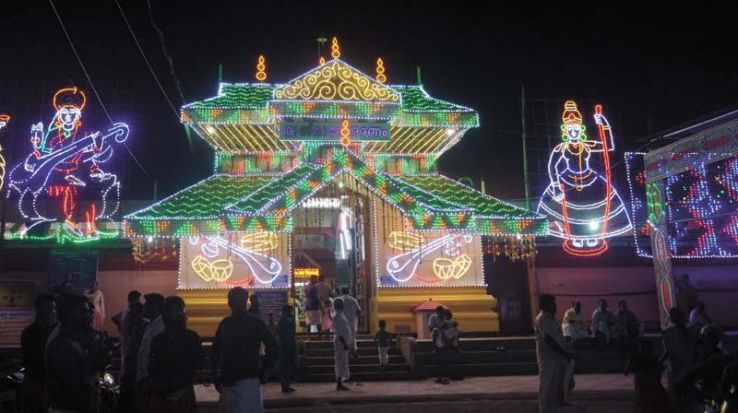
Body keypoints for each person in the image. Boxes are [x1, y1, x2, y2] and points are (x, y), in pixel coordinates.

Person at [212, 287, 278, 413]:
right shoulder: (255, 322)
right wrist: (263, 369)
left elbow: (215, 351)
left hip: (232, 378)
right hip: (247, 378)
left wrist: (214, 373)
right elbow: (273, 347)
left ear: (229, 303)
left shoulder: (225, 324)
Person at [46, 293, 112, 413]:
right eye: (82, 312)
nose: (88, 316)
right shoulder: (59, 345)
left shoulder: (77, 339)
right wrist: (94, 351)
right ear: (67, 314)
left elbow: (91, 370)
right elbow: (75, 382)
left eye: (88, 312)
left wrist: (103, 355)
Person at [147, 296, 202, 413]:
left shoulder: (190, 338)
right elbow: (152, 366)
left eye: (179, 311)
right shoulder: (158, 340)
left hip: (181, 393)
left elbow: (196, 366)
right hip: (161, 393)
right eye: (174, 310)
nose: (179, 314)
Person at [534, 294, 573, 413]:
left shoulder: (549, 318)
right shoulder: (543, 318)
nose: (555, 306)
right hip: (548, 356)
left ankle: (554, 407)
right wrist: (564, 353)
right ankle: (545, 409)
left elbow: (555, 337)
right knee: (547, 385)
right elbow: (549, 340)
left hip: (555, 356)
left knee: (556, 384)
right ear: (545, 305)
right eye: (552, 303)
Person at [19, 293, 56, 413]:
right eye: (48, 307)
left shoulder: (54, 331)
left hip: (50, 385)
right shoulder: (30, 333)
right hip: (36, 383)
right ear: (38, 309)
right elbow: (34, 360)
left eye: (53, 308)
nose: (51, 311)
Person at [660, 307, 698, 410]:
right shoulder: (691, 332)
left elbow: (668, 353)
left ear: (671, 318)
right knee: (689, 399)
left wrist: (658, 363)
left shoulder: (668, 334)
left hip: (674, 370)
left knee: (675, 399)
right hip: (690, 369)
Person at [136, 293, 166, 410]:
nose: (144, 308)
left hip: (150, 380)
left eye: (147, 305)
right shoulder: (151, 325)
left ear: (156, 307)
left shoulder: (160, 327)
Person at [624, 340, 672, 413]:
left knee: (650, 401)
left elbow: (657, 368)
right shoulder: (638, 358)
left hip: (649, 385)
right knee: (645, 401)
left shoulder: (649, 359)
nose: (644, 349)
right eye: (643, 347)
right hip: (645, 385)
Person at [118, 302, 146, 412]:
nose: (130, 316)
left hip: (136, 372)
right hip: (129, 370)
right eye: (129, 314)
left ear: (140, 314)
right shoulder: (133, 327)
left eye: (132, 314)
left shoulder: (144, 328)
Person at [112, 290, 141, 378]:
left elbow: (114, 318)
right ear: (135, 300)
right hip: (130, 340)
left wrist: (120, 329)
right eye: (138, 299)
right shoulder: (131, 312)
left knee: (124, 360)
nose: (140, 301)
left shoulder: (124, 311)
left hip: (124, 339)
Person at [276, 305, 298, 393]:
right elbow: (290, 333)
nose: (292, 313)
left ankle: (286, 385)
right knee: (286, 367)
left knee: (285, 367)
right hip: (287, 346)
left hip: (284, 345)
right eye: (291, 311)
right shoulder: (287, 320)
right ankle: (285, 385)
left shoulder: (282, 320)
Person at [332, 298, 352, 391]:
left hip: (343, 341)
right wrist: (344, 343)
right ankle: (339, 383)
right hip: (341, 341)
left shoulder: (340, 314)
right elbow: (339, 331)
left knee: (343, 361)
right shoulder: (337, 316)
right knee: (340, 361)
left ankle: (341, 381)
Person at [338, 287, 361, 354]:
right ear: (348, 292)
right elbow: (358, 311)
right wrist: (356, 317)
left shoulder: (339, 300)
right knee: (353, 337)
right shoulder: (354, 300)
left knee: (343, 337)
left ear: (341, 292)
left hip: (342, 322)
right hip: (352, 321)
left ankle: (345, 352)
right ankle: (354, 350)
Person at [303, 276, 322, 340]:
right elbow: (316, 298)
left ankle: (309, 337)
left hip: (308, 306)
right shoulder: (314, 287)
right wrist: (321, 306)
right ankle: (319, 337)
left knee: (308, 322)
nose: (317, 281)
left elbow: (305, 296)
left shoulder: (306, 287)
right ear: (313, 279)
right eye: (316, 279)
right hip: (315, 306)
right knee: (318, 322)